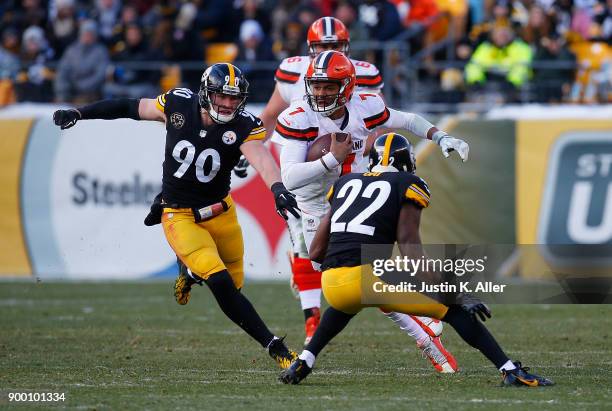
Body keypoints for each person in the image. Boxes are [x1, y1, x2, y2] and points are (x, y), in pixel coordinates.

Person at [52, 63, 300, 370]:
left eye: (234, 98)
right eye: (221, 96)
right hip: (179, 214)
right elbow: (130, 107)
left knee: (234, 289)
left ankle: (190, 273)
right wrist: (80, 112)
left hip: (221, 212)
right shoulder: (179, 103)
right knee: (220, 282)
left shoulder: (244, 125)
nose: (227, 104)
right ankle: (276, 348)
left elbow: (261, 159)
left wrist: (277, 188)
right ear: (206, 93)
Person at [279, 133, 554, 387]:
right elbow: (409, 247)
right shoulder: (408, 183)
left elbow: (315, 252)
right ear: (407, 164)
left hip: (332, 282)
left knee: (342, 308)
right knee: (454, 308)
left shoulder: (344, 183)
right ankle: (511, 371)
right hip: (368, 277)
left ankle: (303, 362)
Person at [236, 17, 443, 353]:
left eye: (334, 46)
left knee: (353, 268)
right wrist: (250, 143)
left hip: (348, 184)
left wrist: (435, 136)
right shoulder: (295, 89)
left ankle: (424, 324)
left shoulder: (364, 85)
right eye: (321, 46)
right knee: (324, 263)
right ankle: (316, 317)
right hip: (309, 184)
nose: (328, 51)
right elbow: (275, 123)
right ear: (309, 50)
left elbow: (384, 123)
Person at [274, 50, 470, 371]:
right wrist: (330, 160)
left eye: (328, 86)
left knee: (362, 278)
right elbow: (291, 177)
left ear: (348, 86)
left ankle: (424, 335)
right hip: (314, 203)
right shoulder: (299, 116)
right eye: (316, 85)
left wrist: (441, 136)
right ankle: (423, 324)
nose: (320, 93)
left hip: (354, 198)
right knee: (338, 271)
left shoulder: (365, 105)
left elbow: (407, 120)